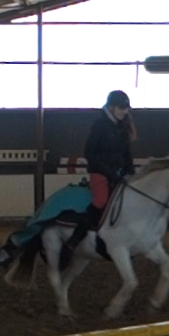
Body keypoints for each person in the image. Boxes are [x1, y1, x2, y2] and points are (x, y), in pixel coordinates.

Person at [57, 89, 136, 270]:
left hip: (118, 173)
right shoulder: (100, 126)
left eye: (125, 109)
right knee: (100, 201)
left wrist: (130, 172)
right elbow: (90, 153)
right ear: (111, 107)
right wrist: (110, 173)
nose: (124, 112)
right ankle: (73, 241)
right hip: (99, 172)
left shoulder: (122, 128)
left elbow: (127, 154)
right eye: (121, 108)